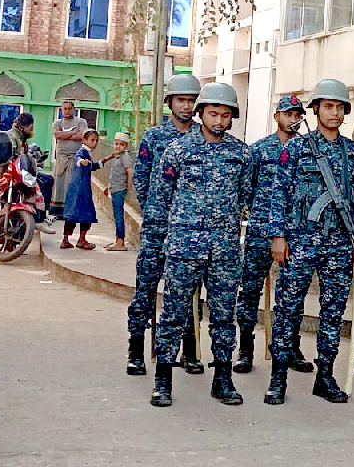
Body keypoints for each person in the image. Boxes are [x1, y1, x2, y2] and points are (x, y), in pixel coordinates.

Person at [263, 79, 354, 405]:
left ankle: (325, 375)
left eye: (339, 107)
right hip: (301, 241)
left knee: (333, 311)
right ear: (316, 110)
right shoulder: (296, 149)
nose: (334, 112)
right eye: (328, 106)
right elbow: (278, 193)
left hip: (339, 243)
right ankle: (278, 377)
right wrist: (278, 236)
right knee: (288, 308)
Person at [149, 82, 253, 407]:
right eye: (213, 113)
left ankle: (222, 378)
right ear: (201, 113)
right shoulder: (178, 151)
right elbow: (160, 200)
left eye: (225, 114)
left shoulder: (242, 154)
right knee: (174, 313)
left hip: (224, 250)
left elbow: (246, 197)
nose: (219, 120)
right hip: (183, 248)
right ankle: (163, 379)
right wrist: (157, 244)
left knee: (223, 315)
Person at [125, 74, 202, 377]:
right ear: (170, 102)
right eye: (181, 100)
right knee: (146, 287)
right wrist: (156, 211)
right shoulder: (154, 137)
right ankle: (135, 350)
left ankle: (189, 351)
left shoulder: (201, 137)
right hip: (158, 227)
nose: (186, 106)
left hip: (191, 230)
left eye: (191, 100)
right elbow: (141, 177)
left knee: (187, 291)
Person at [234, 95, 314, 375]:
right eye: (287, 114)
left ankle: (289, 346)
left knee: (293, 294)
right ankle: (245, 349)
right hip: (260, 232)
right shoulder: (259, 150)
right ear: (276, 117)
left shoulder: (308, 150)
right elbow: (246, 188)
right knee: (250, 290)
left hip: (295, 234)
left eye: (297, 115)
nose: (293, 120)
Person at [61, 129, 114, 250]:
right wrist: (82, 162)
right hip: (80, 188)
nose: (94, 143)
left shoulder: (88, 153)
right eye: (92, 140)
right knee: (86, 213)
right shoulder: (82, 152)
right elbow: (78, 159)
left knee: (73, 213)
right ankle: (80, 239)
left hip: (80, 187)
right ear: (84, 140)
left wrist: (107, 158)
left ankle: (68, 239)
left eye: (96, 141)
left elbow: (92, 166)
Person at [8, 113, 56, 234]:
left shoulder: (21, 137)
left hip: (19, 169)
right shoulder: (13, 137)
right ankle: (40, 219)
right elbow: (14, 156)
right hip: (13, 172)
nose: (32, 130)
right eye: (31, 127)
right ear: (24, 126)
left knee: (47, 179)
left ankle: (41, 217)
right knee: (44, 181)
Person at [50, 100, 87, 218]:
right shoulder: (58, 122)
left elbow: (82, 136)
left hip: (75, 157)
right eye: (65, 109)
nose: (67, 111)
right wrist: (73, 133)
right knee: (59, 182)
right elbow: (57, 135)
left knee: (71, 183)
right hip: (61, 156)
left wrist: (64, 135)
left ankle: (69, 210)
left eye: (69, 108)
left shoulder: (81, 121)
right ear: (61, 110)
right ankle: (57, 210)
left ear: (74, 109)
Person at [104, 132, 134, 252]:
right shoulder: (117, 157)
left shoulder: (125, 157)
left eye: (121, 144)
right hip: (115, 189)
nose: (118, 146)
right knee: (116, 215)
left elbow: (130, 173)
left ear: (126, 146)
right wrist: (108, 187)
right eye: (116, 144)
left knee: (119, 215)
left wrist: (128, 188)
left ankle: (121, 242)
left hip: (120, 190)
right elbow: (114, 174)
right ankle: (117, 240)